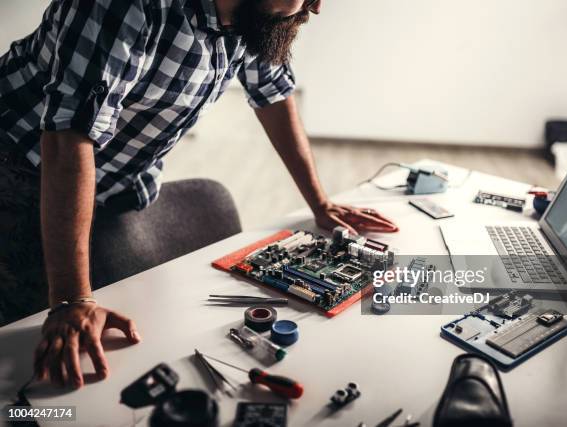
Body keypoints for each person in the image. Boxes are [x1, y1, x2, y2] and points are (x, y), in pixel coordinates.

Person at [0, 0, 398, 389]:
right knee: (28, 358)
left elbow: (274, 92)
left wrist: (320, 203)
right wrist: (71, 300)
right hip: (15, 174)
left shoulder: (252, 16)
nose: (316, 6)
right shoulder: (125, 7)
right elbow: (66, 140)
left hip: (111, 188)